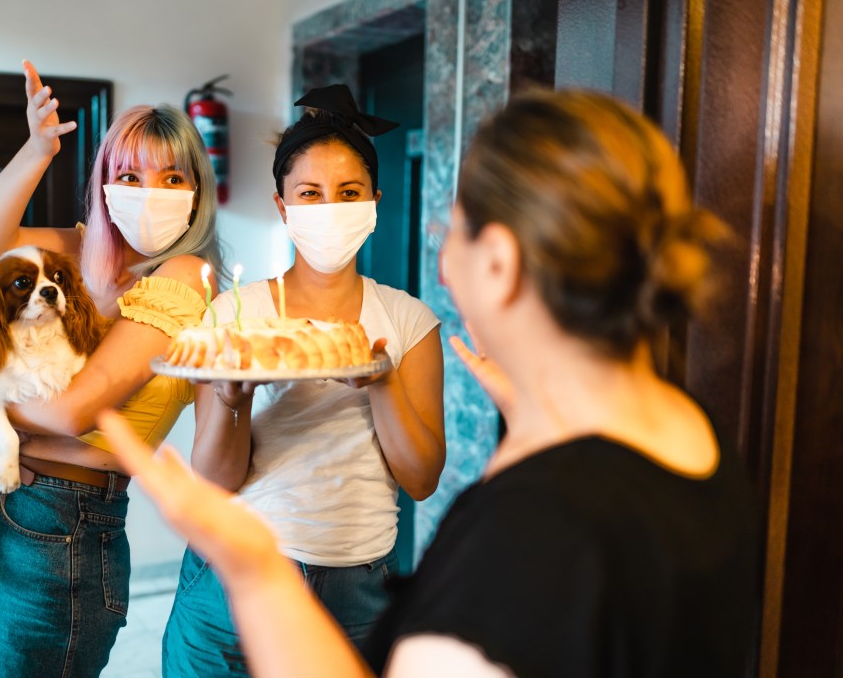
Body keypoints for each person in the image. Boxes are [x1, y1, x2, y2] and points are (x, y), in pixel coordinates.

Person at [99, 88, 760, 677]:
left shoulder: (527, 534)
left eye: (453, 233)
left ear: (498, 262)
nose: (443, 268)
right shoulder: (689, 431)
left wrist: (255, 571)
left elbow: (433, 484)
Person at [0, 60, 223, 677]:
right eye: (130, 174)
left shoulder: (184, 278)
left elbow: (75, 411)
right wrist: (36, 150)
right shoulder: (78, 250)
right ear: (105, 182)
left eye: (171, 178)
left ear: (196, 192)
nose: (150, 192)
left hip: (62, 528)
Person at [160, 84, 447, 675]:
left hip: (357, 593)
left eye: (348, 193)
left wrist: (381, 380)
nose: (329, 208)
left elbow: (420, 479)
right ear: (283, 206)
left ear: (374, 202)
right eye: (309, 194)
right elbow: (214, 480)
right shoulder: (237, 317)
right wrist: (233, 402)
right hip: (231, 581)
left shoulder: (408, 323)